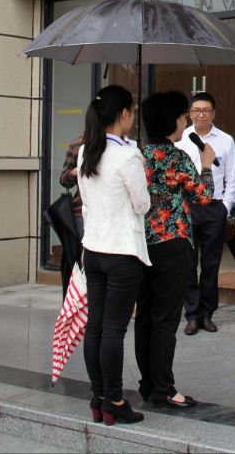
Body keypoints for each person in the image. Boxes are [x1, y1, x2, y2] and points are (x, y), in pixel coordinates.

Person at [76, 85, 150, 426]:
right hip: (122, 252)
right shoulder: (128, 156)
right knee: (113, 330)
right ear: (123, 114)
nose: (132, 118)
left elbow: (87, 203)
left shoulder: (86, 150)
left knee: (95, 327)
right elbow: (142, 204)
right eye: (131, 112)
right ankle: (115, 400)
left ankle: (98, 397)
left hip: (93, 248)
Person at [136, 91, 214, 409]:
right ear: (172, 120)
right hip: (172, 244)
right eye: (183, 116)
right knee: (166, 319)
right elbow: (203, 196)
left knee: (145, 317)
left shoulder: (139, 155)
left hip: (141, 244)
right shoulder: (176, 157)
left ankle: (148, 383)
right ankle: (164, 388)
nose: (185, 121)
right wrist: (206, 165)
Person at [175, 92, 235, 335]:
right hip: (188, 207)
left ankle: (207, 313)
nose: (201, 114)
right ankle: (192, 314)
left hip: (214, 207)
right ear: (190, 114)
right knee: (188, 263)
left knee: (211, 263)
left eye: (206, 110)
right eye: (196, 110)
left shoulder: (225, 140)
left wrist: (224, 208)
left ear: (214, 113)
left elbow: (232, 178)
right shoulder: (181, 139)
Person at [59, 131, 86, 239]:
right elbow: (63, 179)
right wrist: (74, 172)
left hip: (109, 212)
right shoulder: (77, 145)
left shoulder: (114, 145)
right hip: (81, 211)